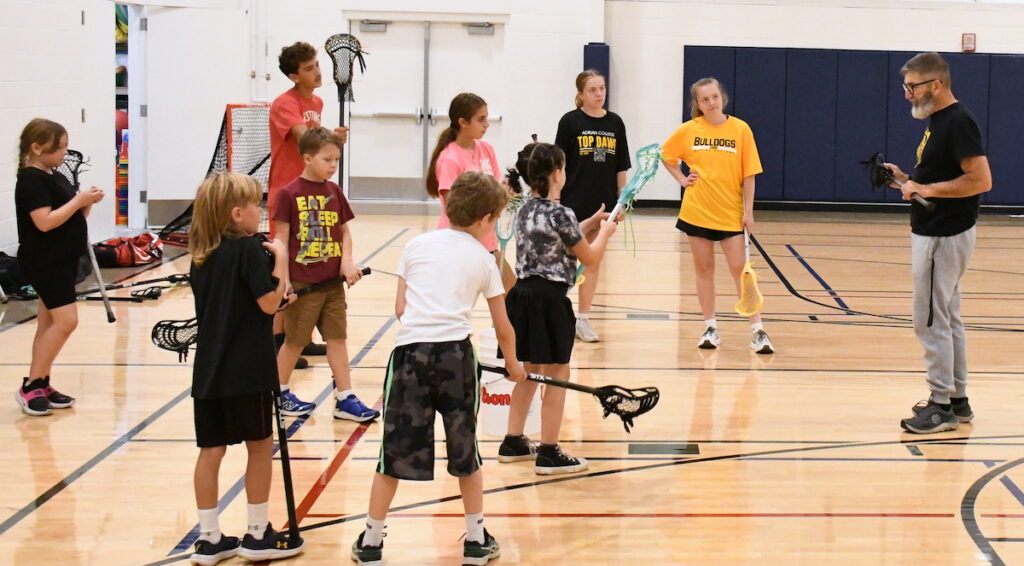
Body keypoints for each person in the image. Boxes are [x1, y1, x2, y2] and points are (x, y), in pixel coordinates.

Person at [351, 171, 526, 566]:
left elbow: (400, 310)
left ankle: (372, 541)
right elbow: (503, 326)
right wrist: (513, 365)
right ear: (484, 219)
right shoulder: (484, 260)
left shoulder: (416, 245)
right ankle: (476, 538)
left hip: (410, 356)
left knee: (392, 453)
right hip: (456, 360)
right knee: (466, 450)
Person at [187, 171, 302, 565]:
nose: (260, 211)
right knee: (258, 447)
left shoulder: (202, 256)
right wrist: (282, 261)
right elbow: (270, 303)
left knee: (211, 451)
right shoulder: (250, 251)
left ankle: (209, 537)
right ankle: (257, 533)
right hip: (248, 369)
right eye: (256, 205)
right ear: (237, 214)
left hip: (209, 371)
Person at [883, 52, 992, 434]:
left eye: (913, 86)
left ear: (937, 84)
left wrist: (925, 188)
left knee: (929, 320)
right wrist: (904, 178)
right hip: (940, 231)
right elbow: (940, 176)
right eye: (906, 86)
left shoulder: (959, 122)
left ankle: (940, 405)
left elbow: (980, 180)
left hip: (943, 235)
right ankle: (957, 400)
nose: (907, 94)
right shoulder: (939, 121)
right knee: (947, 317)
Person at [497, 142, 617, 475]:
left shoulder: (525, 209)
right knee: (557, 376)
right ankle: (549, 451)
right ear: (556, 173)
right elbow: (589, 258)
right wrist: (604, 232)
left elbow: (557, 237)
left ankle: (514, 440)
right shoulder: (561, 214)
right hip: (550, 302)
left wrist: (591, 222)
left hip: (522, 299)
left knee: (529, 371)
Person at [659, 77, 774, 355]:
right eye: (704, 99)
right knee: (704, 270)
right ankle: (710, 326)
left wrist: (748, 212)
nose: (711, 103)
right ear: (697, 104)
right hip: (697, 211)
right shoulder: (689, 130)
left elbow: (749, 175)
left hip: (730, 214)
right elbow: (665, 155)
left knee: (741, 273)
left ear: (722, 97)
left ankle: (757, 330)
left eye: (714, 97)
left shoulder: (740, 129)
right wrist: (682, 179)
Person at [272, 127, 378, 421]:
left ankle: (345, 397)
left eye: (337, 160)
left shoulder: (334, 192)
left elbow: (344, 234)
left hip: (332, 285)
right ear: (307, 158)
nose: (333, 165)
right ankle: (279, 393)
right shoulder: (288, 194)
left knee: (338, 339)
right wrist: (285, 281)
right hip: (303, 285)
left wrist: (347, 261)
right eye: (327, 159)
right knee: (294, 341)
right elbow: (280, 240)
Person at [14, 118, 104, 416]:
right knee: (66, 321)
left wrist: (86, 201)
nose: (64, 153)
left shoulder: (53, 176)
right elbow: (45, 222)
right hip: (45, 262)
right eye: (59, 148)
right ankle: (31, 386)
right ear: (37, 148)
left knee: (48, 324)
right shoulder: (30, 181)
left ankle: (41, 382)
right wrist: (78, 199)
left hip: (63, 259)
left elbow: (73, 215)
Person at [269, 40, 349, 365]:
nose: (317, 72)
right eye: (308, 68)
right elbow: (306, 138)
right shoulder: (283, 104)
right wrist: (331, 138)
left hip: (312, 194)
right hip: (287, 193)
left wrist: (332, 140)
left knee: (311, 262)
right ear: (293, 76)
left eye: (316, 65)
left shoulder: (317, 100)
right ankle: (277, 340)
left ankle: (302, 337)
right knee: (284, 266)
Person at [554, 69, 631, 342]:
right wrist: (556, 202)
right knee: (565, 261)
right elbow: (558, 166)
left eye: (602, 88)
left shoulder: (615, 123)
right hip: (573, 203)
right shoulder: (570, 122)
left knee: (592, 262)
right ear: (581, 94)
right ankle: (556, 313)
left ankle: (583, 320)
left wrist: (623, 201)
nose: (599, 94)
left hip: (605, 205)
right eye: (593, 90)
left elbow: (621, 166)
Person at [425, 92, 515, 290]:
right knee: (460, 298)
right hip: (459, 243)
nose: (487, 124)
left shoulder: (486, 148)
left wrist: (508, 196)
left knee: (511, 292)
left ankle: (499, 323)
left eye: (487, 118)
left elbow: (498, 189)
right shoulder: (450, 159)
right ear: (463, 122)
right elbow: (453, 209)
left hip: (487, 241)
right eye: (481, 119)